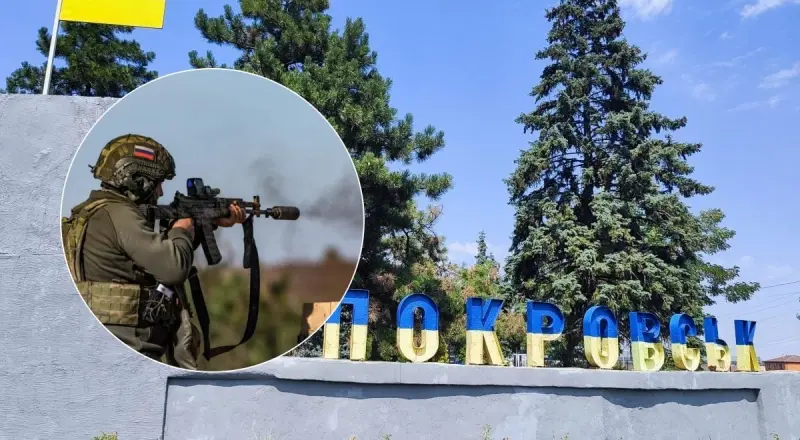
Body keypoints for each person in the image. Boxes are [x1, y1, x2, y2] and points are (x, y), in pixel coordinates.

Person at [61, 134, 245, 370]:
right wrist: (181, 229)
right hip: (130, 349)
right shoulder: (120, 215)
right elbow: (172, 269)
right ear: (136, 180)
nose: (160, 192)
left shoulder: (96, 211)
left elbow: (156, 259)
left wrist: (199, 227)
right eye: (157, 183)